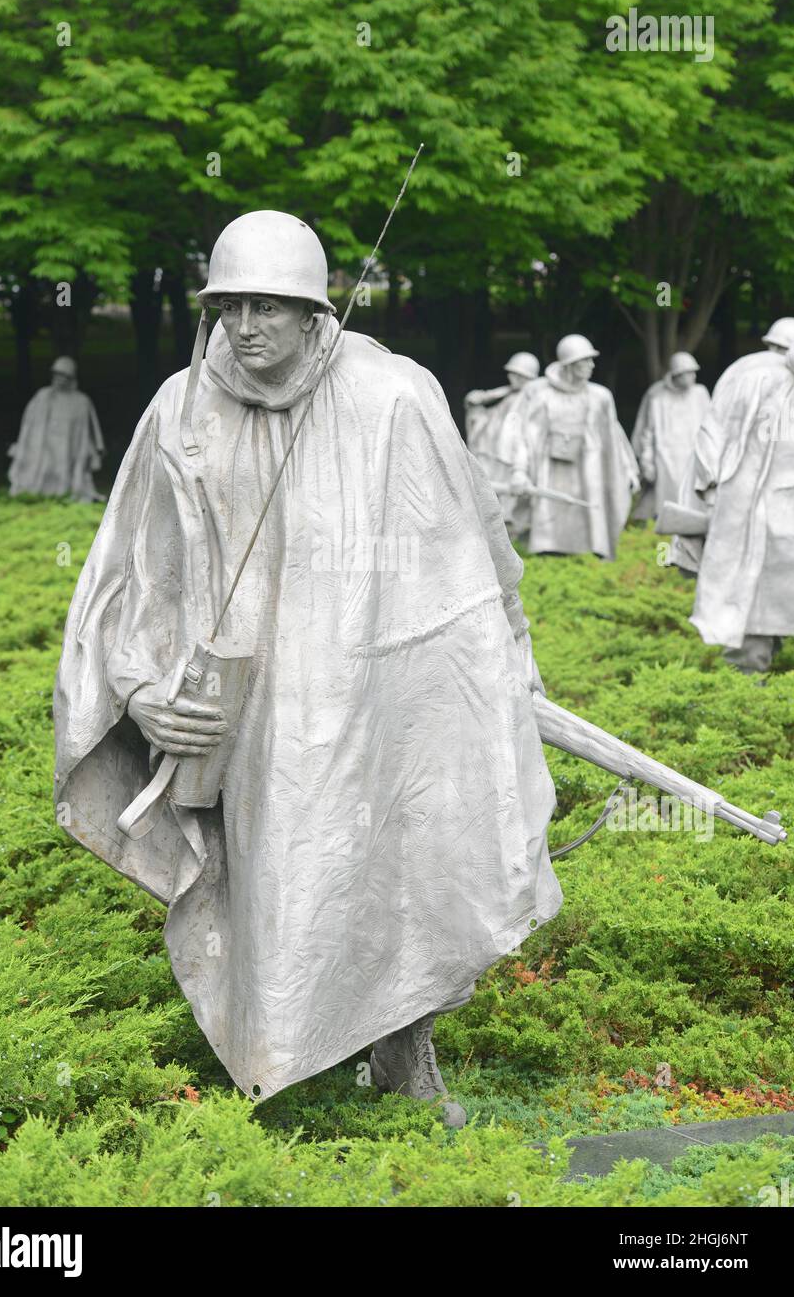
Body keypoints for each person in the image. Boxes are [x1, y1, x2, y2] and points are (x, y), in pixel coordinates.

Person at [53, 211, 564, 1127]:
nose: (246, 327)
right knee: (269, 873)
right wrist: (141, 690)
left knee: (397, 859)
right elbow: (132, 569)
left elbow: (472, 559)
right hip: (242, 709)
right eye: (229, 306)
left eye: (268, 307)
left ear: (313, 311)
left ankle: (402, 1047)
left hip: (377, 694)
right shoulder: (179, 408)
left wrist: (503, 666)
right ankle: (277, 1056)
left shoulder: (393, 397)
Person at [669, 341, 794, 673]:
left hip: (778, 520)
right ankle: (744, 690)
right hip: (754, 520)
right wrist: (709, 492)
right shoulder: (755, 380)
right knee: (752, 610)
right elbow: (712, 444)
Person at [505, 334, 639, 559]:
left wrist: (628, 469)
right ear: (569, 364)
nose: (591, 365)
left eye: (591, 360)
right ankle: (548, 551)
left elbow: (614, 438)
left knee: (590, 510)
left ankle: (592, 552)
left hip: (589, 466)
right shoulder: (540, 394)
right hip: (550, 467)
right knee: (550, 513)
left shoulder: (600, 397)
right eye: (585, 361)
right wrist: (519, 471)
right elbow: (525, 436)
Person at [8, 355, 105, 501]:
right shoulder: (43, 396)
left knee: (63, 467)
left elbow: (88, 430)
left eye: (64, 376)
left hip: (68, 444)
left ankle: (63, 492)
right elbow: (29, 424)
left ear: (71, 378)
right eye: (57, 375)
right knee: (42, 464)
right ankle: (40, 490)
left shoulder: (81, 402)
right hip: (44, 442)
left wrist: (94, 448)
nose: (59, 379)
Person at [631, 351, 711, 524]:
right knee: (663, 510)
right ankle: (661, 547)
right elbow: (646, 433)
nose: (694, 376)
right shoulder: (657, 396)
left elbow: (710, 429)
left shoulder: (700, 394)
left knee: (694, 510)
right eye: (689, 372)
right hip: (665, 461)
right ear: (677, 374)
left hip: (694, 459)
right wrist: (647, 463)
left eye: (694, 372)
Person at [466, 352, 540, 523]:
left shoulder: (531, 399)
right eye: (511, 373)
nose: (511, 377)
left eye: (516, 374)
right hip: (495, 449)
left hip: (514, 452)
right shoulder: (510, 396)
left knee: (509, 492)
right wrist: (477, 407)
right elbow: (494, 418)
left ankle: (509, 520)